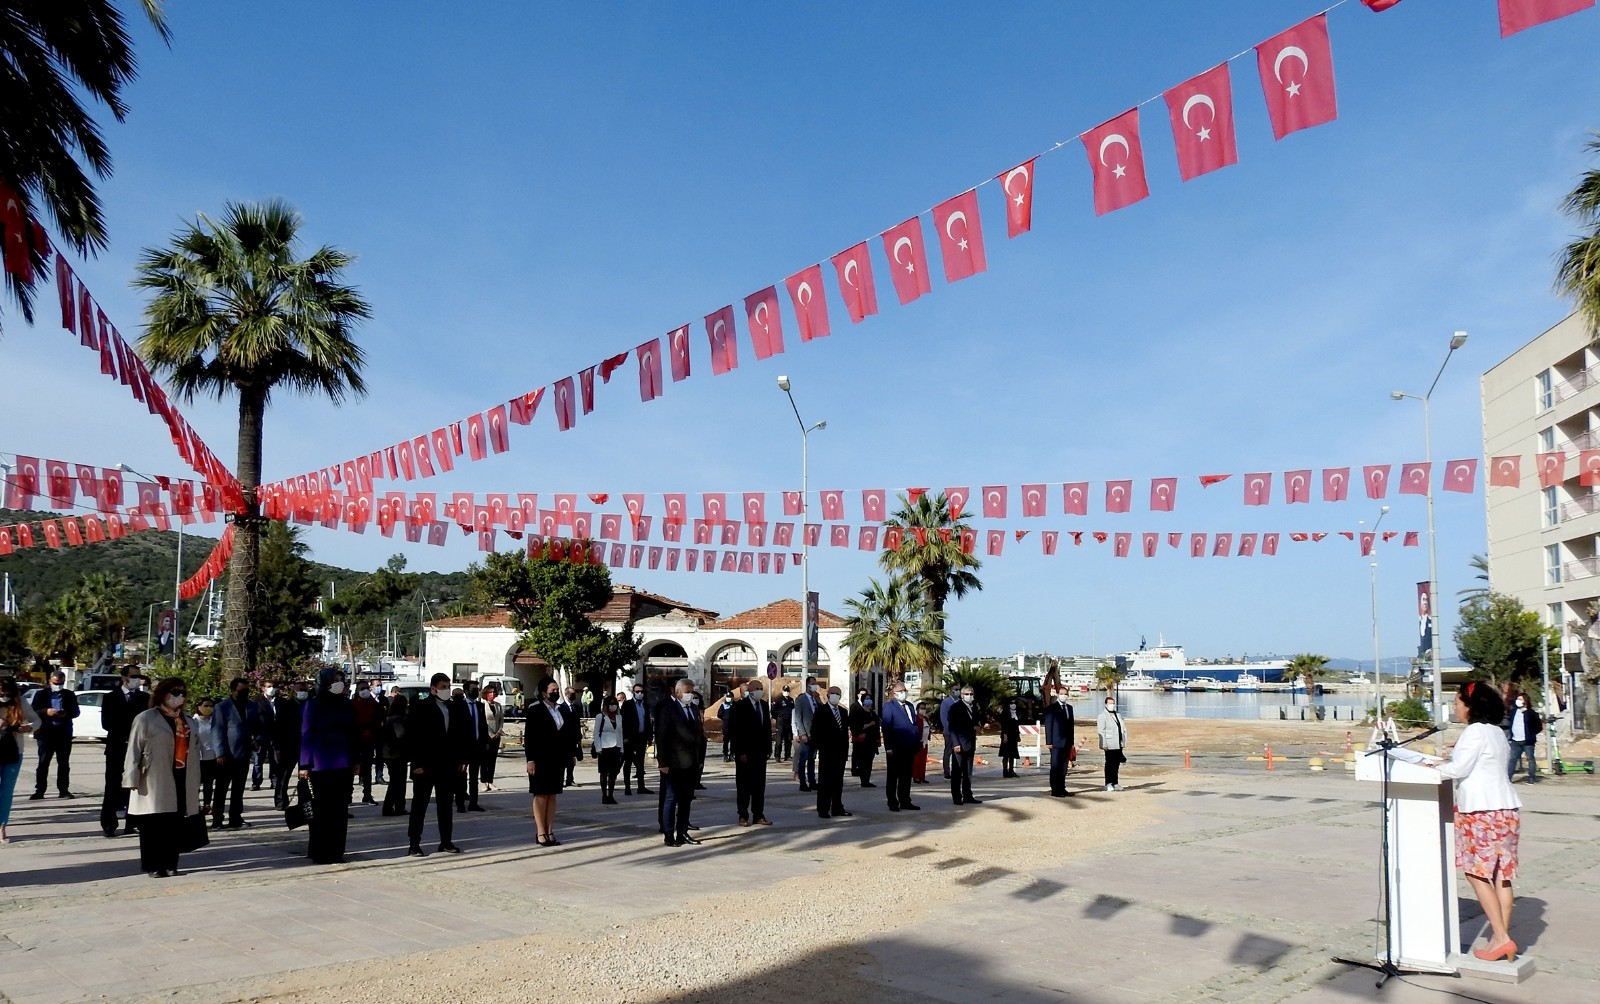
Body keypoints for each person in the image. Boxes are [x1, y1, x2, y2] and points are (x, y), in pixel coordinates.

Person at [1424, 682, 1523, 962]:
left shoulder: (1474, 731)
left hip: (1481, 811)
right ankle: (1498, 940)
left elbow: (1459, 769)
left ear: (1471, 705)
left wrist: (1431, 766)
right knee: (1501, 875)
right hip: (1507, 809)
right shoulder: (1496, 732)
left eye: (1457, 702)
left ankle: (1501, 938)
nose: (1455, 707)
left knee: (1476, 873)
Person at [123, 678, 205, 877]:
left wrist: (198, 779)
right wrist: (130, 778)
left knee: (175, 823)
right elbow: (134, 749)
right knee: (154, 824)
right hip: (154, 776)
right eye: (174, 692)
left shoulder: (187, 720)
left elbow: (195, 749)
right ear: (163, 693)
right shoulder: (146, 718)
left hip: (182, 776)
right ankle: (154, 865)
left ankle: (171, 863)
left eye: (183, 693)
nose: (179, 697)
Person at [406, 673, 471, 857]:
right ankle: (414, 843)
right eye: (443, 686)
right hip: (425, 765)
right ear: (433, 688)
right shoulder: (421, 707)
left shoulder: (453, 707)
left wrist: (462, 758)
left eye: (448, 686)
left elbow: (460, 735)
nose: (446, 690)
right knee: (420, 806)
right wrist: (416, 763)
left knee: (445, 805)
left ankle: (446, 841)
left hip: (447, 765)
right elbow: (413, 737)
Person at [298, 667, 357, 864]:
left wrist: (356, 760)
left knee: (339, 811)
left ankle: (336, 851)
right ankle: (319, 851)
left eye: (341, 679)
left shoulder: (346, 704)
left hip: (343, 763)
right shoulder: (314, 705)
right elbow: (307, 734)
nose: (339, 683)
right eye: (335, 680)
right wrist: (304, 764)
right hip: (320, 764)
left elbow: (353, 733)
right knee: (320, 811)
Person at [99, 668, 149, 836]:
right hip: (117, 747)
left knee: (136, 786)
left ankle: (133, 822)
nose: (136, 679)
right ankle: (109, 822)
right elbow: (107, 723)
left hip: (139, 749)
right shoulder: (110, 697)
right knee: (113, 785)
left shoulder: (144, 698)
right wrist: (127, 733)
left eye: (139, 677)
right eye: (133, 676)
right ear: (124, 677)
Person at [656, 678, 705, 845]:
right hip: (673, 763)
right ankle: (669, 834)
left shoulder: (694, 709)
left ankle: (682, 832)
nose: (690, 695)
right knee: (671, 799)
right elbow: (661, 738)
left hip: (691, 763)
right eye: (687, 691)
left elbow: (698, 737)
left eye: (691, 692)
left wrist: (699, 760)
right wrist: (663, 763)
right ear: (677, 693)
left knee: (686, 800)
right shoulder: (668, 710)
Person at [526, 677, 573, 846]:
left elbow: (568, 733)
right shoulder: (535, 710)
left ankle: (550, 830)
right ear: (544, 692)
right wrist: (530, 759)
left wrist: (570, 754)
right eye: (552, 690)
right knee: (541, 794)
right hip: (540, 758)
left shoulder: (562, 710)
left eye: (557, 690)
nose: (555, 693)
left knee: (552, 794)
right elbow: (530, 736)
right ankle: (540, 831)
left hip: (557, 758)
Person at [210, 677, 260, 828]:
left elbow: (258, 726)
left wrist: (257, 739)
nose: (245, 692)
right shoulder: (222, 707)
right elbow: (217, 731)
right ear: (233, 690)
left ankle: (235, 818)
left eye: (247, 689)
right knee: (221, 789)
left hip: (243, 754)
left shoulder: (251, 706)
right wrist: (219, 753)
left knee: (238, 790)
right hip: (226, 755)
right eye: (241, 690)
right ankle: (217, 819)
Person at [1, 677, 42, 844]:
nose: (4, 696)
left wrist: (29, 727)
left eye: (7, 693)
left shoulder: (20, 701)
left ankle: (2, 826)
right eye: (1, 693)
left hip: (14, 751)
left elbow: (37, 719)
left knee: (6, 792)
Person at [727, 679, 773, 826]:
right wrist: (739, 752)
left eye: (761, 688)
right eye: (757, 688)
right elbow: (735, 731)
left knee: (759, 786)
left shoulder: (764, 706)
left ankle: (758, 814)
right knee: (744, 786)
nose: (760, 690)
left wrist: (768, 749)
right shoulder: (739, 706)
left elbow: (766, 728)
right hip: (745, 753)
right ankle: (743, 815)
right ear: (750, 690)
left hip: (760, 752)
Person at [29, 671, 79, 799]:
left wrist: (65, 714)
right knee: (43, 763)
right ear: (50, 681)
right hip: (45, 734)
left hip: (63, 733)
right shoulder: (41, 694)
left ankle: (63, 790)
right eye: (56, 683)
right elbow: (33, 710)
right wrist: (46, 711)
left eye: (61, 683)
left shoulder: (69, 694)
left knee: (63, 763)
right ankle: (40, 790)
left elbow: (76, 712)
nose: (59, 685)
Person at [809, 685, 853, 819]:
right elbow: (815, 732)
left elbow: (845, 733)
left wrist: (845, 752)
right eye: (832, 693)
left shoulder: (843, 712)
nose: (834, 696)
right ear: (828, 695)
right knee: (825, 782)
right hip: (827, 753)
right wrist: (821, 748)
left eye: (837, 694)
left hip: (840, 754)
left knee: (838, 782)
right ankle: (823, 809)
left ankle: (837, 807)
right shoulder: (821, 711)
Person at [880, 682, 921, 811]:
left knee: (906, 776)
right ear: (894, 693)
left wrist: (916, 741)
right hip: (896, 748)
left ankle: (905, 800)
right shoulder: (889, 707)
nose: (904, 693)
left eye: (905, 690)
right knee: (893, 776)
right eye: (901, 691)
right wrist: (889, 747)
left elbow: (913, 724)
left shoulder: (909, 706)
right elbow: (886, 728)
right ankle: (892, 801)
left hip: (910, 747)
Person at [274, 682, 308, 810]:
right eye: (301, 689)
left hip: (306, 746)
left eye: (305, 689)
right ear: (294, 691)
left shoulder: (311, 705)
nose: (303, 692)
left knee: (305, 776)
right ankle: (280, 801)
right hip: (289, 745)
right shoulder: (285, 705)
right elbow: (278, 726)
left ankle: (304, 801)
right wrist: (277, 746)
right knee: (284, 775)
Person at [351, 679, 385, 805]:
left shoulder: (374, 704)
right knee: (352, 767)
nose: (364, 691)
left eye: (366, 688)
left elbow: (379, 720)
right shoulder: (352, 704)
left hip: (369, 739)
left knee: (367, 767)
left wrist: (371, 731)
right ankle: (348, 797)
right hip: (354, 740)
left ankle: (367, 795)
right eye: (361, 688)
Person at [946, 686, 982, 806]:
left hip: (970, 743)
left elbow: (976, 721)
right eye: (967, 694)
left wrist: (977, 726)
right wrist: (956, 743)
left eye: (971, 694)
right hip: (959, 744)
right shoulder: (955, 708)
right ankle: (957, 796)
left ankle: (968, 795)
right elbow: (952, 727)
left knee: (968, 772)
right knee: (957, 772)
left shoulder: (973, 707)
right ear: (962, 695)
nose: (969, 696)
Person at [457, 680, 488, 813]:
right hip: (463, 747)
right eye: (473, 689)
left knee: (474, 777)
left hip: (477, 746)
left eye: (477, 688)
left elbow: (483, 725)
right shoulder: (459, 706)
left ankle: (474, 803)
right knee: (461, 776)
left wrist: (485, 741)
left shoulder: (480, 706)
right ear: (466, 691)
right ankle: (460, 803)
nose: (475, 691)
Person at [1041, 688, 1076, 797]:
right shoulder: (1051, 708)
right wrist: (1049, 741)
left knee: (1064, 767)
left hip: (1067, 742)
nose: (1064, 696)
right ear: (1057, 695)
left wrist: (1072, 741)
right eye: (1061, 694)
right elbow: (1048, 726)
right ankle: (1055, 790)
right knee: (1055, 766)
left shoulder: (1069, 708)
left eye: (1065, 694)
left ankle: (1062, 788)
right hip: (1055, 743)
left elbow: (1071, 726)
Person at [251, 678, 284, 793]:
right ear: (263, 688)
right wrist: (253, 737)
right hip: (261, 736)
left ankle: (274, 781)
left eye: (273, 686)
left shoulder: (280, 702)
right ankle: (256, 782)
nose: (271, 689)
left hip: (275, 736)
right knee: (258, 760)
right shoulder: (256, 702)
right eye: (269, 686)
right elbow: (252, 720)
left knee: (275, 760)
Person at [621, 682, 653, 796]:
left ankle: (641, 786)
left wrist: (649, 737)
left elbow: (647, 722)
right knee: (628, 762)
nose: (640, 694)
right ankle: (627, 787)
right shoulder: (627, 705)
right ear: (633, 692)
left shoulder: (645, 705)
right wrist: (625, 738)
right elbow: (623, 722)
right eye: (637, 691)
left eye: (642, 692)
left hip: (642, 737)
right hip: (630, 738)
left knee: (640, 763)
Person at [1503, 690, 1543, 783]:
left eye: (1520, 699)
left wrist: (1531, 734)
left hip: (1527, 741)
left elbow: (1538, 726)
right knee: (1512, 759)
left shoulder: (1531, 713)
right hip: (1515, 740)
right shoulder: (1514, 711)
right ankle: (1508, 778)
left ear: (1525, 701)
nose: (1518, 701)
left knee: (1530, 759)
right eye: (1517, 699)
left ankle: (1532, 778)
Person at [380, 694, 410, 815]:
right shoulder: (398, 719)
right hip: (396, 755)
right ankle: (395, 807)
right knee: (398, 782)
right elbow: (401, 736)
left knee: (396, 782)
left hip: (390, 754)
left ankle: (395, 806)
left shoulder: (390, 718)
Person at [591, 695, 625, 804]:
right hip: (604, 747)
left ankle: (611, 794)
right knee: (604, 772)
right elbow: (596, 733)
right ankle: (604, 795)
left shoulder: (619, 717)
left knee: (613, 773)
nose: (613, 706)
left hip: (616, 747)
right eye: (611, 704)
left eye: (615, 704)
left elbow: (620, 733)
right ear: (606, 705)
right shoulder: (600, 717)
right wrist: (598, 747)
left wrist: (621, 749)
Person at [193, 698, 221, 817]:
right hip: (198, 758)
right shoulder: (194, 721)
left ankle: (207, 804)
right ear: (199, 706)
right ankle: (195, 804)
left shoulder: (214, 721)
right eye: (205, 705)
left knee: (209, 784)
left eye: (210, 706)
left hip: (212, 757)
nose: (208, 708)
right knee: (196, 784)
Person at [792, 676, 820, 792]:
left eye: (816, 683)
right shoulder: (801, 699)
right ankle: (803, 783)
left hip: (815, 734)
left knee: (812, 759)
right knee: (803, 759)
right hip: (805, 734)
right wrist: (802, 733)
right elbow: (798, 717)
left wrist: (818, 700)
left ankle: (812, 781)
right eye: (813, 683)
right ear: (808, 684)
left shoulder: (815, 700)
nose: (815, 686)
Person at [850, 691, 881, 787]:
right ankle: (863, 780)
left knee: (869, 761)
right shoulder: (858, 712)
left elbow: (876, 726)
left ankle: (867, 779)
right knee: (863, 761)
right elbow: (855, 727)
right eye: (866, 699)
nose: (869, 701)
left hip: (871, 741)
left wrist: (878, 739)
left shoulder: (872, 713)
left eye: (869, 699)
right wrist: (868, 725)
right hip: (862, 742)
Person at [1097, 694, 1127, 792]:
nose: (1112, 705)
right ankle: (1108, 783)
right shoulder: (1102, 716)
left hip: (1118, 743)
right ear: (1105, 705)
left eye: (1113, 703)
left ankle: (1115, 782)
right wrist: (1103, 744)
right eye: (1110, 703)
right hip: (1109, 744)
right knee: (1109, 764)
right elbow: (1101, 731)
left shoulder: (1118, 715)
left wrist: (1123, 741)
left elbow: (1121, 728)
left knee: (1116, 764)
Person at [480, 683, 506, 791]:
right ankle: (483, 782)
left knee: (492, 760)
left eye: (494, 692)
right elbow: (483, 722)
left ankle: (490, 781)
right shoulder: (482, 705)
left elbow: (501, 719)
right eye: (490, 692)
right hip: (486, 736)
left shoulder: (498, 705)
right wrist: (490, 734)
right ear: (485, 694)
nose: (492, 694)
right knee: (484, 760)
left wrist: (499, 731)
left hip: (496, 736)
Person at [560, 686, 585, 786]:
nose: (573, 695)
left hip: (573, 738)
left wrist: (579, 738)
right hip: (563, 739)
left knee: (571, 760)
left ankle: (570, 779)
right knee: (562, 761)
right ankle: (560, 780)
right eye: (571, 693)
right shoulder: (561, 707)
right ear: (566, 694)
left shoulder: (576, 708)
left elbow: (577, 724)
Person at [998, 698, 1023, 778]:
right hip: (1006, 735)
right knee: (1005, 754)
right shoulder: (1005, 713)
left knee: (1012, 754)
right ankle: (1005, 771)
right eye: (1011, 703)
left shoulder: (1017, 713)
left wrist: (1018, 735)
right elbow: (1004, 725)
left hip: (1014, 735)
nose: (1013, 705)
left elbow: (1016, 726)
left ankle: (1011, 771)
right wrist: (1004, 735)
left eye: (1014, 703)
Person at [938, 690, 958, 780]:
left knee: (957, 752)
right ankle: (947, 772)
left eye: (958, 689)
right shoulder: (946, 702)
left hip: (959, 732)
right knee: (948, 751)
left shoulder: (959, 701)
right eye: (955, 689)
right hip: (949, 732)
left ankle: (956, 771)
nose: (957, 691)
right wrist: (948, 729)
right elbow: (944, 718)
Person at [772, 685, 795, 762]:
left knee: (788, 739)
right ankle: (777, 756)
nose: (786, 692)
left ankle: (787, 755)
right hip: (781, 721)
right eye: (785, 691)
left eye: (787, 691)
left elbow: (793, 710)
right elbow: (773, 710)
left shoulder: (791, 700)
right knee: (779, 740)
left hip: (789, 722)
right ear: (782, 691)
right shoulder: (778, 700)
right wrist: (776, 718)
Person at [911, 701, 932, 785]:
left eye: (924, 708)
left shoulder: (925, 719)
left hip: (925, 742)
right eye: (921, 708)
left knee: (923, 760)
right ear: (917, 709)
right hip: (917, 742)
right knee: (916, 760)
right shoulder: (915, 719)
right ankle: (915, 776)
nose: (923, 710)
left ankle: (922, 776)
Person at [717, 691, 735, 762]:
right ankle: (725, 755)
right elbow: (719, 714)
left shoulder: (735, 705)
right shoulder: (723, 705)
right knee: (726, 742)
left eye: (730, 697)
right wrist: (725, 718)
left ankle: (732, 754)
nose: (729, 698)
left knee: (733, 742)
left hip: (734, 726)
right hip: (726, 726)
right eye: (728, 697)